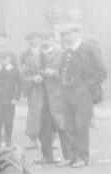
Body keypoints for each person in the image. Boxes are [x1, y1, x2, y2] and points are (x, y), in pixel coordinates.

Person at [57, 23, 107, 168]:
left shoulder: (89, 49)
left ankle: (82, 157)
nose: (66, 37)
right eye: (64, 35)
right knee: (69, 126)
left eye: (69, 34)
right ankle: (71, 157)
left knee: (81, 126)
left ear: (78, 33)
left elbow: (102, 71)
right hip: (67, 93)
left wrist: (85, 87)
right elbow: (63, 72)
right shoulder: (66, 52)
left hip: (83, 95)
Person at [37, 31, 68, 164]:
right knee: (43, 128)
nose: (45, 41)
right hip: (40, 96)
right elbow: (24, 73)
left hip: (57, 96)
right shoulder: (36, 56)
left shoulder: (62, 54)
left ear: (53, 39)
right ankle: (47, 156)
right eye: (43, 38)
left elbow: (67, 73)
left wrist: (54, 73)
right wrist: (33, 78)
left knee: (62, 126)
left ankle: (68, 156)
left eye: (48, 38)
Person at [20, 32, 44, 149]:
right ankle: (32, 139)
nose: (31, 41)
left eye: (34, 38)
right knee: (34, 113)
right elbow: (21, 73)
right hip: (33, 88)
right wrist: (31, 79)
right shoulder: (24, 55)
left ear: (39, 39)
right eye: (29, 39)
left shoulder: (47, 51)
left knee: (50, 112)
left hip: (47, 87)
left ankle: (50, 139)